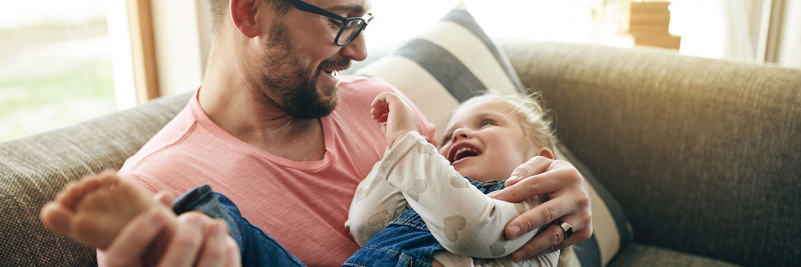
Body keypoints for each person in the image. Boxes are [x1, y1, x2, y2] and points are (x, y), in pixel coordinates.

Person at [51, 0, 591, 265]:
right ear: (251, 13)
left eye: (365, 22)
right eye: (343, 20)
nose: (358, 51)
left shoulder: (375, 104)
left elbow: (461, 195)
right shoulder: (153, 193)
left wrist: (555, 204)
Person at [343, 92, 561, 266]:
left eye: (486, 123)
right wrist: (397, 149)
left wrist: (405, 141)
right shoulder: (431, 203)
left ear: (538, 161)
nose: (459, 134)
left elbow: (471, 230)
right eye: (447, 138)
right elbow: (365, 225)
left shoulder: (535, 202)